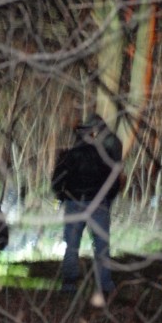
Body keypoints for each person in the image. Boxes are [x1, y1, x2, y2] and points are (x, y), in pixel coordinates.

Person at [51, 114, 122, 296]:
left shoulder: (67, 156)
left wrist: (62, 196)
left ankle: (69, 285)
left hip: (74, 203)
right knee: (102, 246)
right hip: (98, 204)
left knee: (72, 246)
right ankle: (105, 285)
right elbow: (113, 181)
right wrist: (107, 199)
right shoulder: (102, 154)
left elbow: (57, 181)